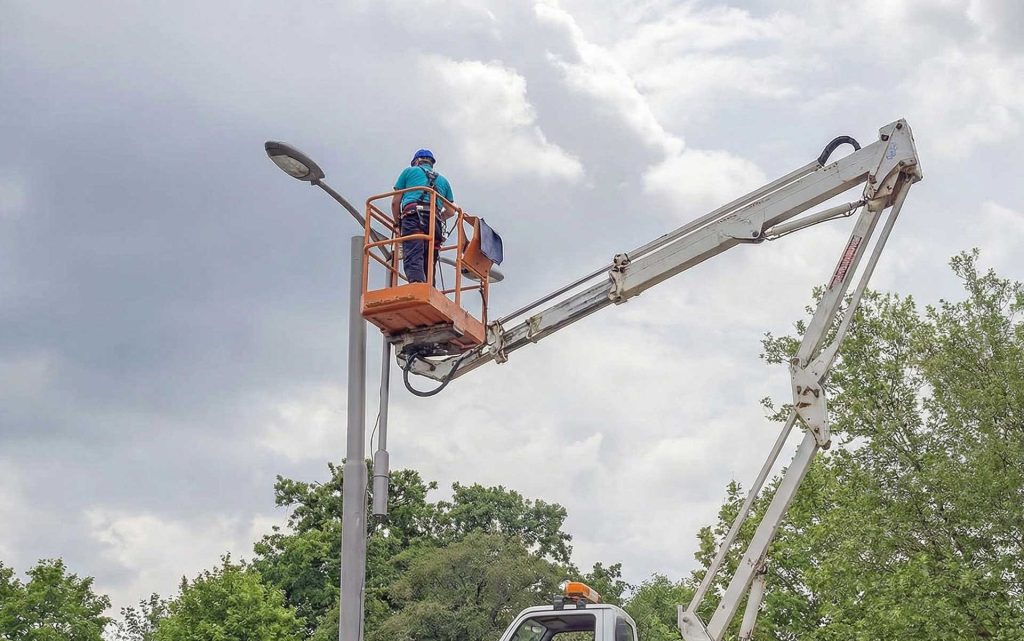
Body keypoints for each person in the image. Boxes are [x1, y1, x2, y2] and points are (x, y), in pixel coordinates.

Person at [391, 149, 455, 283]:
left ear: (416, 161)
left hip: (413, 216)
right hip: (434, 222)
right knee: (430, 258)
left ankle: (416, 285)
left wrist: (398, 224)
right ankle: (429, 287)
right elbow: (451, 211)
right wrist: (438, 217)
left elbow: (395, 202)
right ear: (431, 163)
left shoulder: (409, 172)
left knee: (413, 253)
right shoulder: (443, 181)